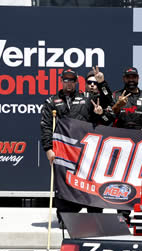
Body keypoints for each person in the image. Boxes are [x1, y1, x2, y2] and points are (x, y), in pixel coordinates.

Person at [40, 69, 106, 225]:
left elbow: (107, 102)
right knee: (63, 183)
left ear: (77, 82)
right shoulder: (51, 101)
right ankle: (65, 217)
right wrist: (48, 149)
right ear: (62, 81)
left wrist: (102, 85)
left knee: (90, 182)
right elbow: (46, 126)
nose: (69, 83)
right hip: (63, 150)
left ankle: (94, 216)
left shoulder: (87, 97)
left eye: (72, 80)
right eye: (66, 80)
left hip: (85, 151)